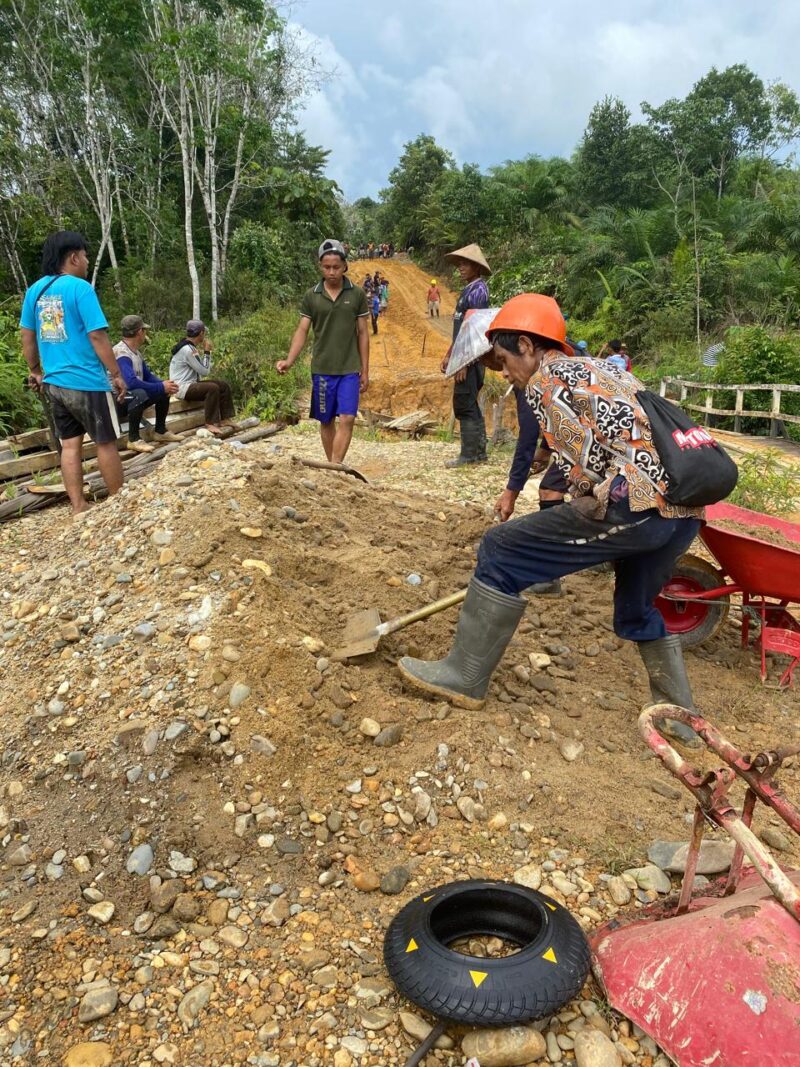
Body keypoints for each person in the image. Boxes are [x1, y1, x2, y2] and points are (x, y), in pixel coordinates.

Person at [400, 293, 705, 748]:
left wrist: (569, 497)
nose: (505, 373)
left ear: (527, 344)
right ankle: (681, 719)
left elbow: (584, 465)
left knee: (502, 548)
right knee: (635, 612)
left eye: (504, 360)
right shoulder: (603, 369)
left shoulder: (545, 380)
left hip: (641, 506)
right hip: (685, 513)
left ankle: (462, 677)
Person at [19, 230, 127, 515]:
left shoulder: (35, 292)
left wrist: (35, 371)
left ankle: (78, 508)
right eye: (86, 255)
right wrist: (116, 373)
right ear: (74, 257)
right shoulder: (80, 289)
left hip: (55, 383)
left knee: (69, 446)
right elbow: (98, 337)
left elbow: (27, 337)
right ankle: (120, 503)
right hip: (87, 381)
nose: (88, 261)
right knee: (105, 442)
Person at [276, 239, 369, 465]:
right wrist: (290, 360)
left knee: (347, 418)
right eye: (327, 267)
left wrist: (365, 370)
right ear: (320, 267)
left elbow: (363, 333)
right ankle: (332, 466)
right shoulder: (312, 296)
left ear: (345, 266)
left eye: (336, 267)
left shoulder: (356, 294)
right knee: (326, 421)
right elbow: (302, 330)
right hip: (322, 370)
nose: (332, 272)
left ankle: (333, 467)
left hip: (349, 369)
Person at [441, 243, 491, 467]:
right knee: (469, 402)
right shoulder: (470, 289)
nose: (460, 267)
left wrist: (464, 362)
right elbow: (461, 328)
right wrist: (450, 354)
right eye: (459, 264)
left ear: (476, 267)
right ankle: (478, 452)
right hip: (464, 355)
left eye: (465, 264)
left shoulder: (479, 291)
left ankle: (470, 455)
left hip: (471, 358)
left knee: (464, 403)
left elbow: (476, 330)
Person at [114, 315, 181, 454]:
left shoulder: (136, 353)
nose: (145, 334)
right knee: (139, 394)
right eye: (144, 331)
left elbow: (148, 376)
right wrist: (160, 386)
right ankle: (133, 439)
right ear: (139, 332)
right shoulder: (122, 353)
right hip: (116, 399)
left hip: (130, 396)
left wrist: (165, 385)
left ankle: (160, 431)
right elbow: (131, 383)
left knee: (163, 390)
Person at [169, 321, 235, 436]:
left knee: (223, 385)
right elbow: (205, 371)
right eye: (203, 333)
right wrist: (207, 352)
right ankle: (210, 422)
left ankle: (225, 418)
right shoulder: (188, 350)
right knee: (212, 388)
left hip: (191, 383)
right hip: (182, 387)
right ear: (201, 333)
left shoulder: (187, 346)